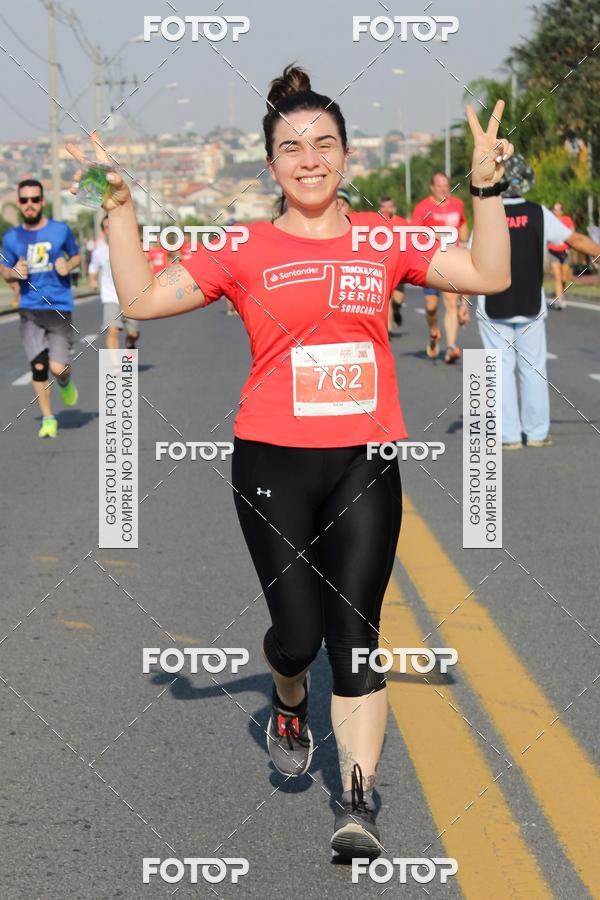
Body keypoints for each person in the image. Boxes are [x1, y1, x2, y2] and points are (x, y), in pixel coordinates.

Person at [67, 66, 513, 859]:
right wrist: (120, 210)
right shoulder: (242, 247)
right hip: (271, 461)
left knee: (357, 635)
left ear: (347, 156)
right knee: (300, 637)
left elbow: (489, 275)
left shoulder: (384, 238)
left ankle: (356, 800)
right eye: (291, 147)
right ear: (270, 163)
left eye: (325, 144)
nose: (310, 159)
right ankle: (286, 691)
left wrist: (486, 191)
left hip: (364, 462)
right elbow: (138, 299)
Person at [475, 156, 600, 449]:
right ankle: (537, 433)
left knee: (499, 371)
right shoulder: (539, 213)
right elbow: (576, 240)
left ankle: (507, 436)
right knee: (533, 369)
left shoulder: (487, 212)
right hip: (531, 302)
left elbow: (471, 258)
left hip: (493, 304)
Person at [1, 179, 80, 438]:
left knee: (58, 369)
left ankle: (65, 381)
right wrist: (12, 273)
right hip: (30, 310)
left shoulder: (60, 230)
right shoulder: (11, 237)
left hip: (58, 307)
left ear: (42, 201)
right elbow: (4, 269)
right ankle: (48, 418)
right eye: (24, 200)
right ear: (20, 204)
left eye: (35, 199)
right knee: (38, 367)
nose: (30, 204)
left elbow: (76, 254)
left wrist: (68, 266)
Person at [411, 172, 470, 362]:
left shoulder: (457, 204)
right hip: (430, 264)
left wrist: (464, 243)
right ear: (432, 187)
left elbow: (462, 223)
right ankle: (433, 331)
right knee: (431, 307)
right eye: (439, 186)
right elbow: (414, 234)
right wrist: (436, 237)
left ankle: (451, 346)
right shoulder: (423, 208)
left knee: (451, 302)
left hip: (451, 262)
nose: (443, 189)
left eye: (446, 185)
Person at [88, 215, 140, 350]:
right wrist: (92, 280)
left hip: (130, 297)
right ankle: (115, 367)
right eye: (106, 227)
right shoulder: (99, 252)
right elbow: (93, 267)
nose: (110, 230)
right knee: (112, 330)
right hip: (110, 296)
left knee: (133, 333)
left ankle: (131, 341)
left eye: (112, 226)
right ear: (103, 231)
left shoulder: (130, 246)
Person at [378, 196, 405, 334]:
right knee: (386, 299)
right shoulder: (376, 224)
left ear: (394, 208)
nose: (386, 209)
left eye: (389, 206)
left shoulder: (402, 223)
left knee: (398, 299)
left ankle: (397, 310)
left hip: (400, 266)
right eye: (383, 207)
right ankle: (387, 330)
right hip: (384, 267)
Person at [547, 202, 575, 310]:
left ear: (562, 211)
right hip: (554, 251)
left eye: (559, 209)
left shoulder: (567, 220)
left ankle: (561, 294)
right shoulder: (550, 222)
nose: (557, 211)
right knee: (557, 277)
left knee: (564, 277)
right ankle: (560, 300)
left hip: (565, 252)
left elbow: (573, 234)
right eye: (555, 209)